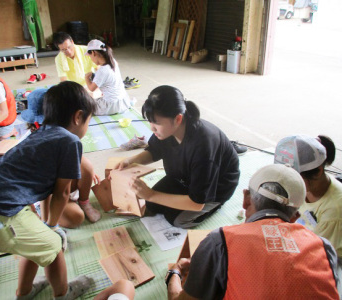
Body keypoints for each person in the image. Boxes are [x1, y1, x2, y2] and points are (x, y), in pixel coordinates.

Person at [0, 81, 96, 300]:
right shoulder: (70, 141)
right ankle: (63, 294)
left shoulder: (39, 134)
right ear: (78, 117)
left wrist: (44, 222)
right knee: (54, 246)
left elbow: (38, 187)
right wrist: (53, 226)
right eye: (88, 121)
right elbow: (62, 193)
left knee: (35, 243)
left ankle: (24, 293)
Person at [167, 164, 340, 299]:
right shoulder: (325, 248)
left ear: (246, 199)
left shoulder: (220, 241)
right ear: (295, 216)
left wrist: (175, 272)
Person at [114, 85, 240, 228]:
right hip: (184, 178)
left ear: (178, 119)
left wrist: (150, 194)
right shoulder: (167, 130)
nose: (152, 128)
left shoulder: (204, 146)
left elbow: (197, 203)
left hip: (216, 187)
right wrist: (130, 160)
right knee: (152, 204)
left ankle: (216, 204)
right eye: (150, 121)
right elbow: (154, 151)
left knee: (179, 220)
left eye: (156, 122)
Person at [21, 88, 102, 225]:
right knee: (75, 218)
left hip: (62, 185)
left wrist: (87, 173)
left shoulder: (63, 136)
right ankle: (45, 213)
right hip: (47, 194)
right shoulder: (35, 145)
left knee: (86, 165)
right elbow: (44, 191)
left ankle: (84, 202)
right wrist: (47, 222)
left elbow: (74, 159)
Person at [274, 134, 342, 261]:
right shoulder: (306, 186)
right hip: (303, 238)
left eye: (296, 179)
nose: (290, 184)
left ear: (318, 171)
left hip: (326, 257)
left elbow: (319, 254)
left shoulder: (334, 210)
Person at [84, 39, 130, 115]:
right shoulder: (113, 61)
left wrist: (86, 78)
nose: (91, 59)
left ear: (93, 53)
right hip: (123, 101)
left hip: (111, 106)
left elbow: (91, 88)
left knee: (85, 104)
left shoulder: (102, 71)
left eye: (90, 56)